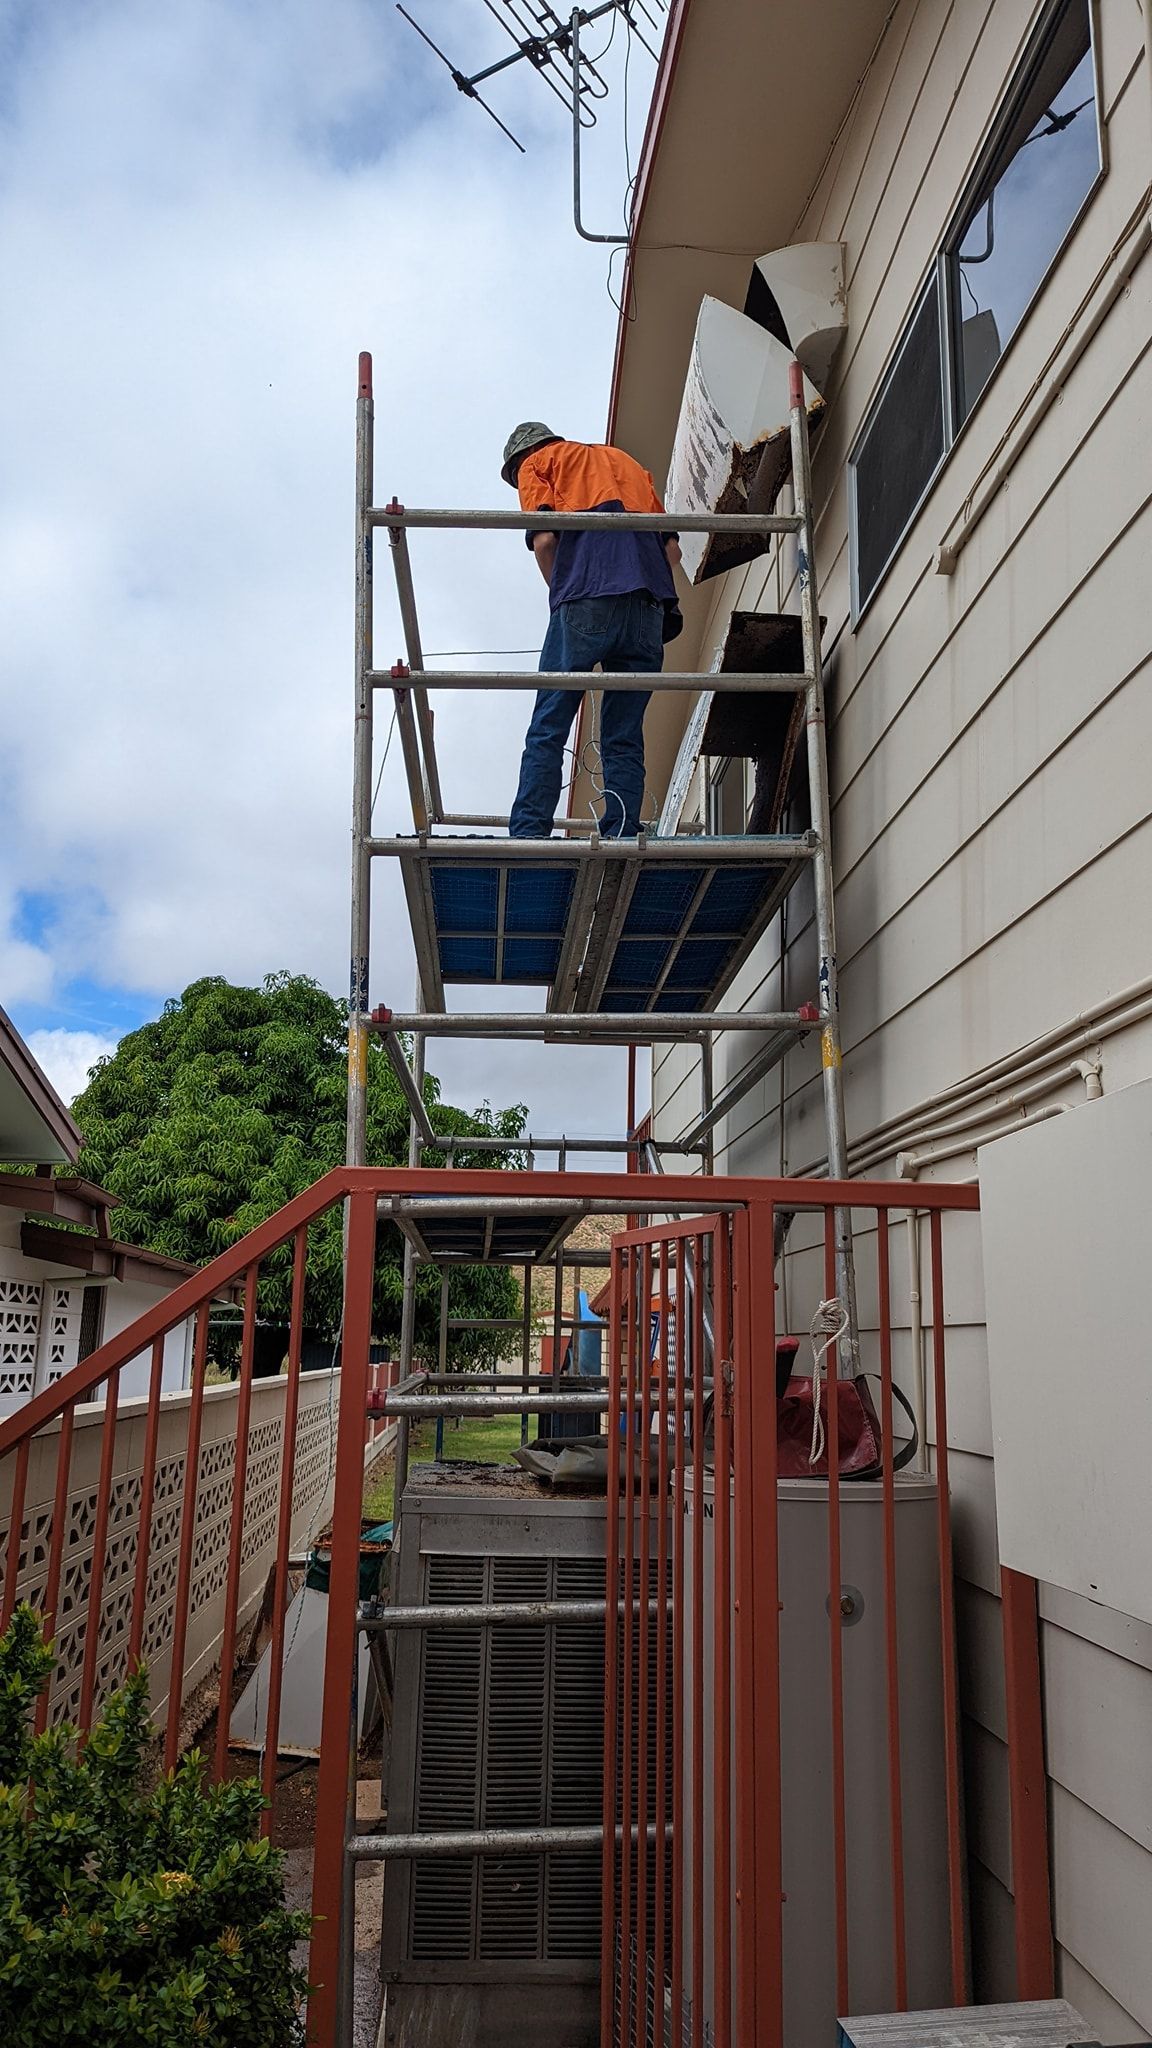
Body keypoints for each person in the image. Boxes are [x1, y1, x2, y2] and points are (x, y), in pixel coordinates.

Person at [501, 423, 682, 839]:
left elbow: (546, 541)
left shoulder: (537, 463)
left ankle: (529, 834)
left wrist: (566, 593)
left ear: (518, 460)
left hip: (586, 595)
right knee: (623, 735)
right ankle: (622, 831)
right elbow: (671, 549)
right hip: (648, 606)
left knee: (548, 727)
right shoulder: (627, 463)